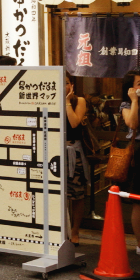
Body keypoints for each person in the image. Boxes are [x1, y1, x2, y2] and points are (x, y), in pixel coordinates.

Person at [119, 69, 140, 257]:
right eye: (139, 83)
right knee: (139, 201)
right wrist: (134, 100)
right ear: (131, 88)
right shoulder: (126, 103)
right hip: (138, 150)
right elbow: (132, 124)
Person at [64, 77, 89, 245]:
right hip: (54, 153)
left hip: (74, 152)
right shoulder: (47, 98)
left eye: (66, 82)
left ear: (71, 85)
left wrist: (66, 102)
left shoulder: (78, 100)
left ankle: (75, 230)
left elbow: (74, 123)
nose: (63, 85)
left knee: (77, 194)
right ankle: (61, 229)